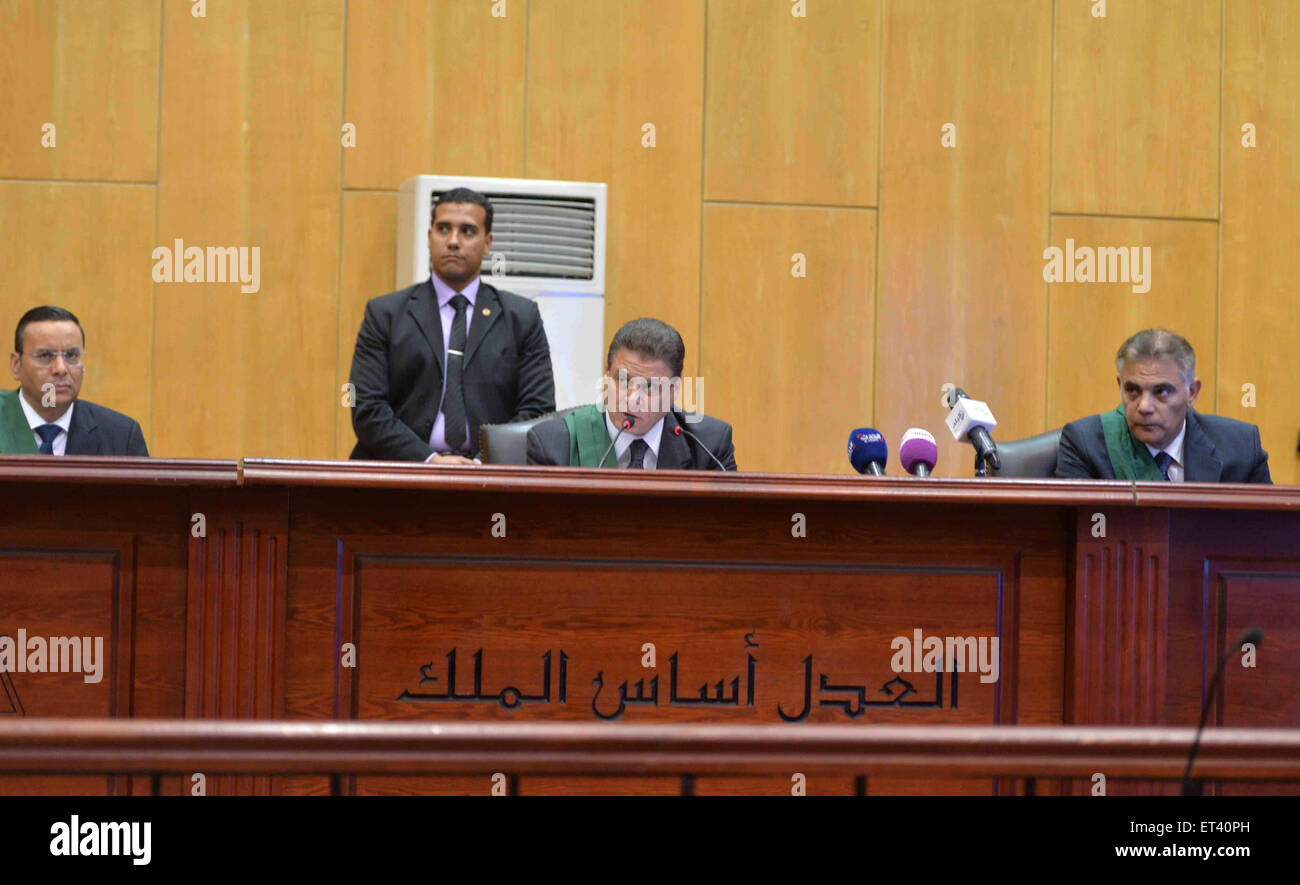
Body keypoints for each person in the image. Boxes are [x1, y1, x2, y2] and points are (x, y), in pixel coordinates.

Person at [349, 187, 555, 462]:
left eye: (467, 231)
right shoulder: (384, 314)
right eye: (443, 229)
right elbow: (367, 409)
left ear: (488, 242)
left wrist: (483, 464)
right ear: (429, 236)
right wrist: (430, 459)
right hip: (399, 475)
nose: (453, 241)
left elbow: (538, 411)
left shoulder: (521, 318)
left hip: (491, 479)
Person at [1055, 328, 1269, 483]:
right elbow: (1079, 536)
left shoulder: (1240, 446)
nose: (1144, 407)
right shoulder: (1085, 443)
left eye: (1162, 392)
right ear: (1120, 386)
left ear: (1192, 393)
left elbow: (1268, 537)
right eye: (1133, 391)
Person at [526, 318, 737, 470]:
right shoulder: (552, 445)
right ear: (606, 376)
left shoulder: (710, 447)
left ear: (673, 392)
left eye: (651, 387)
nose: (633, 400)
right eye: (624, 381)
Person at [2, 306, 148, 456]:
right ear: (16, 364)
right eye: (45, 355)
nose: (61, 369)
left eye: (71, 355)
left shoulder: (121, 436)